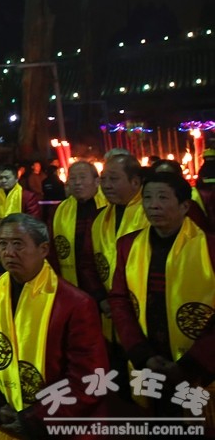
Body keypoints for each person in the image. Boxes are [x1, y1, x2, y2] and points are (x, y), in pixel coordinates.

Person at [0, 213, 108, 438]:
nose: (8, 252)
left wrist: (34, 419)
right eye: (3, 244)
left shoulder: (75, 303)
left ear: (43, 249)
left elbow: (89, 378)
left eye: (18, 244)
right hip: (2, 410)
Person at [108, 171, 215, 429]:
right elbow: (120, 300)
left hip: (200, 364)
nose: (153, 205)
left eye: (163, 198)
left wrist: (190, 364)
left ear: (185, 206)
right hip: (149, 357)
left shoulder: (209, 247)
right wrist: (141, 354)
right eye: (147, 198)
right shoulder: (128, 245)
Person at [89, 151, 148, 336]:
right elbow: (88, 263)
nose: (106, 185)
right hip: (109, 310)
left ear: (135, 182)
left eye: (113, 179)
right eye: (103, 179)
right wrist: (101, 298)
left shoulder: (151, 214)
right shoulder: (99, 217)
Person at [48, 161, 105, 289]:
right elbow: (52, 250)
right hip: (71, 278)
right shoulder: (58, 211)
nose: (77, 182)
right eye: (73, 178)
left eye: (83, 177)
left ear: (97, 181)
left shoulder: (108, 207)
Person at [0, 165, 41, 253]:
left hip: (22, 244)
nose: (3, 180)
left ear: (16, 179)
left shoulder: (27, 196)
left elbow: (32, 222)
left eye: (7, 178)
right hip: (0, 243)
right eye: (0, 178)